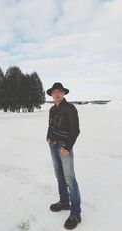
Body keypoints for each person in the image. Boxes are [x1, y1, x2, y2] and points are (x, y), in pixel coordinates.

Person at [46, 82, 81, 230]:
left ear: (64, 93)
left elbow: (75, 130)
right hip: (53, 145)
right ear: (52, 94)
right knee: (59, 175)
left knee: (70, 179)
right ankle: (64, 202)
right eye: (54, 92)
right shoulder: (52, 109)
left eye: (59, 91)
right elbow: (50, 125)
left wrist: (67, 147)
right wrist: (48, 137)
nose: (57, 94)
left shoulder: (70, 108)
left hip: (64, 147)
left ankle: (76, 213)